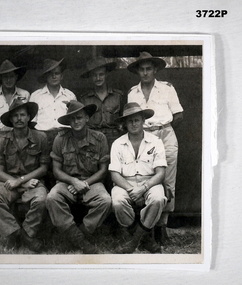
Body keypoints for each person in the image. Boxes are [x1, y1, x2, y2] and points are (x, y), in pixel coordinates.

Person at [127, 52, 183, 243]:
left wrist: (163, 130)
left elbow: (178, 115)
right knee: (148, 177)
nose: (145, 73)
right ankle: (147, 226)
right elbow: (132, 119)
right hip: (144, 136)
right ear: (137, 72)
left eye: (148, 69)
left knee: (168, 180)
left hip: (165, 133)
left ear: (155, 70)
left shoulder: (167, 88)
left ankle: (162, 226)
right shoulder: (132, 93)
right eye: (141, 69)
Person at [0, 100, 50, 252]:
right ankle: (18, 234)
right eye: (15, 116)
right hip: (9, 183)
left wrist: (21, 181)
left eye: (22, 115)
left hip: (33, 182)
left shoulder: (40, 138)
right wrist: (17, 182)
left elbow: (44, 168)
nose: (19, 119)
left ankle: (27, 232)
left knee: (42, 199)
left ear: (28, 117)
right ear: (11, 119)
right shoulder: (3, 141)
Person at [46, 101, 111, 254]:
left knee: (106, 201)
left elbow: (103, 171)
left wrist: (85, 183)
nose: (76, 122)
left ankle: (79, 235)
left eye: (79, 117)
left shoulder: (100, 138)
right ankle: (77, 238)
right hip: (67, 182)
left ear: (87, 118)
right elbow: (56, 170)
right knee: (51, 198)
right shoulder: (60, 139)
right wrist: (73, 181)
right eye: (72, 119)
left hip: (92, 182)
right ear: (68, 121)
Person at [109, 102, 167, 254]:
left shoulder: (156, 141)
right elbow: (114, 174)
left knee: (158, 198)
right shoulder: (117, 144)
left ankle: (134, 241)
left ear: (143, 121)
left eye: (136, 120)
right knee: (117, 201)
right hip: (125, 183)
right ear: (125, 123)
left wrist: (143, 188)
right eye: (130, 121)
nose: (134, 124)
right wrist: (131, 189)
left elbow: (160, 173)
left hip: (149, 182)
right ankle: (146, 239)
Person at [0, 60, 30, 190]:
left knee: (19, 167)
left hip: (19, 135)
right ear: (0, 78)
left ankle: (19, 201)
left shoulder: (24, 95)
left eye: (11, 76)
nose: (8, 80)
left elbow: (28, 116)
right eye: (5, 76)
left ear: (16, 77)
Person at [30, 58, 77, 147]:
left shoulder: (70, 96)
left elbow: (75, 120)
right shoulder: (35, 96)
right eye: (50, 74)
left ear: (61, 76)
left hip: (66, 138)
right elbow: (32, 123)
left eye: (57, 73)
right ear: (45, 77)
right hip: (42, 138)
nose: (54, 76)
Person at [79, 56, 125, 148]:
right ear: (91, 77)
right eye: (94, 75)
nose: (98, 78)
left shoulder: (118, 96)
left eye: (101, 74)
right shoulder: (84, 99)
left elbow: (124, 121)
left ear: (106, 74)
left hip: (115, 139)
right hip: (92, 139)